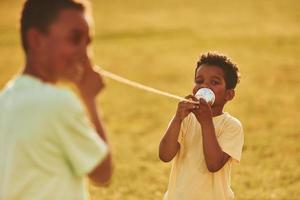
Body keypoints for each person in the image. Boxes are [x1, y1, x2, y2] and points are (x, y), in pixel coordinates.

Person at [0, 0, 112, 199]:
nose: (84, 55)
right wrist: (89, 99)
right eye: (74, 39)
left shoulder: (6, 98)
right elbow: (102, 172)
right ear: (36, 39)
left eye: (87, 42)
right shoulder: (57, 102)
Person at [159, 52, 244, 200]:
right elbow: (165, 155)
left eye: (215, 82)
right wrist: (177, 119)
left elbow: (213, 164)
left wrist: (206, 122)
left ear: (229, 95)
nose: (204, 86)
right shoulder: (186, 119)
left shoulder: (232, 126)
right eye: (199, 81)